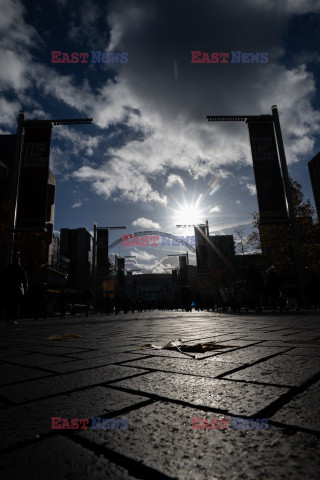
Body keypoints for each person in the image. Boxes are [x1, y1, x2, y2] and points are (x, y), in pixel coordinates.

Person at [1, 252, 28, 323]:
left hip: (10, 289)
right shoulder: (20, 269)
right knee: (15, 304)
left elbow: (4, 278)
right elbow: (25, 280)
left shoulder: (9, 269)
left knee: (10, 304)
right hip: (15, 289)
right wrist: (25, 289)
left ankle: (9, 317)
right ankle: (13, 318)